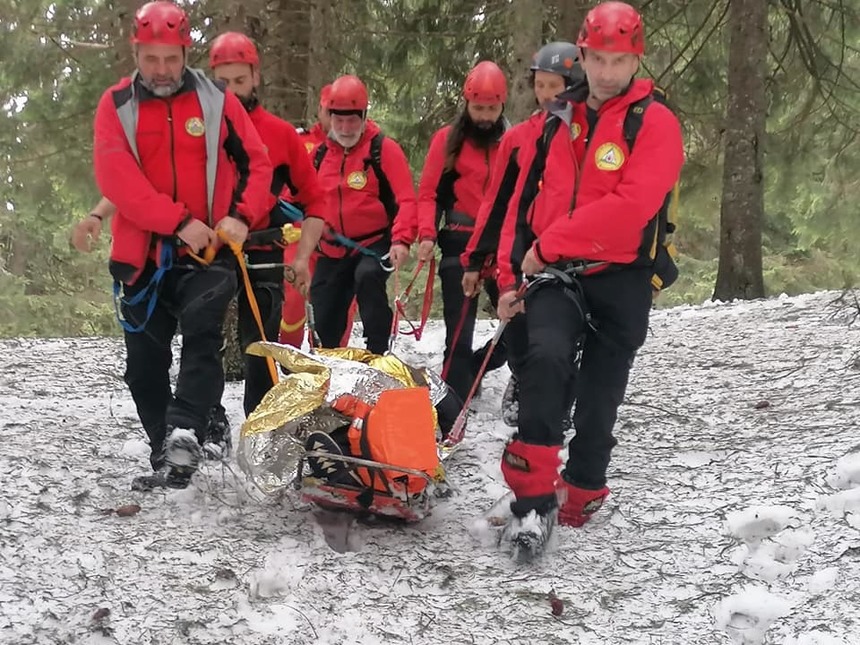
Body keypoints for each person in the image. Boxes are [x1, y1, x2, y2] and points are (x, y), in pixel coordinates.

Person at [495, 1, 684, 539]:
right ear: (582, 54)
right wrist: (512, 276)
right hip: (558, 273)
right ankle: (531, 499)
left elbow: (631, 207)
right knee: (546, 359)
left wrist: (550, 244)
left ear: (635, 61)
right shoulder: (558, 120)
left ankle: (582, 487)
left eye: (618, 61)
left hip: (622, 273)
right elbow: (523, 203)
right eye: (597, 59)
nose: (605, 72)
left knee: (601, 394)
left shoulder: (656, 123)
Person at [92, 1, 273, 490]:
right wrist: (178, 221)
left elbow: (258, 163)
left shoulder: (216, 100)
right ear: (137, 52)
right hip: (141, 258)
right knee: (142, 369)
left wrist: (240, 215)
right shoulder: (116, 106)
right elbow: (118, 179)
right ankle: (165, 455)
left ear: (185, 52)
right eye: (151, 59)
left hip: (207, 255)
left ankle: (187, 428)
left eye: (171, 58)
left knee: (201, 333)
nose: (162, 69)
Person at [461, 43, 583, 424]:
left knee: (562, 340)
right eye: (541, 85)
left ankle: (555, 400)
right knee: (517, 328)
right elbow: (497, 204)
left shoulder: (586, 134)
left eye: (555, 86)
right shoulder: (518, 140)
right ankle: (522, 374)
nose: (547, 95)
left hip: (576, 253)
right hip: (522, 249)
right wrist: (476, 259)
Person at [207, 31, 325, 416]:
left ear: (256, 77)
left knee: (259, 343)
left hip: (263, 249)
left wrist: (304, 257)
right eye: (223, 83)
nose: (232, 91)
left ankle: (259, 422)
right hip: (211, 250)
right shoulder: (200, 133)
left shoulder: (279, 134)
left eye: (240, 81)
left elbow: (315, 200)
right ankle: (207, 421)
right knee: (204, 338)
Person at [414, 61, 508, 404]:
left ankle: (477, 367)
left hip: (502, 245)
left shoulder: (513, 142)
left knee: (520, 324)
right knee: (459, 330)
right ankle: (453, 396)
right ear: (466, 104)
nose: (484, 115)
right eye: (478, 108)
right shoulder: (446, 141)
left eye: (491, 108)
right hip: (459, 241)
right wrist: (426, 234)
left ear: (502, 105)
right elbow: (428, 194)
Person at [309, 74, 417, 355]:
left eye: (352, 120)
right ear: (329, 117)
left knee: (368, 278)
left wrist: (402, 240)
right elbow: (299, 198)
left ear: (364, 115)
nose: (345, 128)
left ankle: (377, 353)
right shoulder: (319, 156)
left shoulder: (383, 150)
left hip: (373, 244)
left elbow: (406, 199)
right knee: (324, 313)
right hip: (331, 249)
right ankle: (328, 367)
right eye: (339, 120)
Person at [296, 84, 332, 153]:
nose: (335, 118)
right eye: (330, 112)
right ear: (320, 110)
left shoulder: (354, 147)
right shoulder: (299, 141)